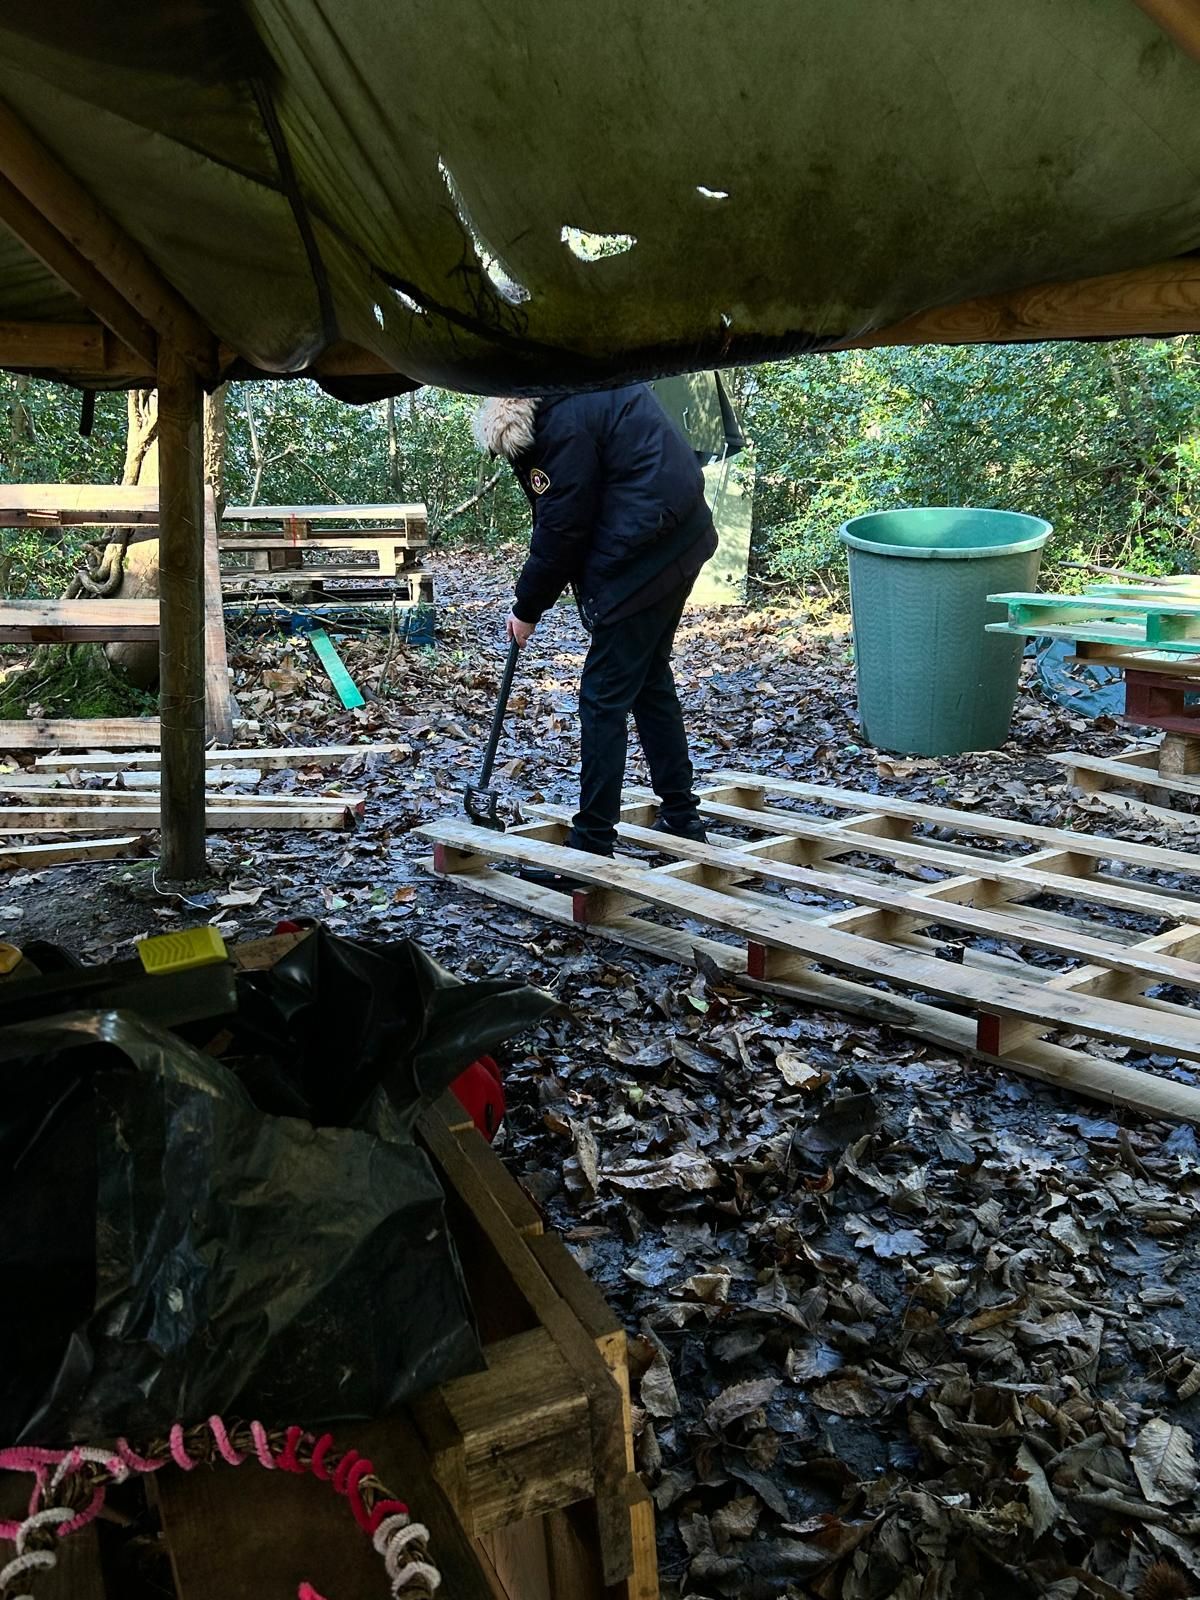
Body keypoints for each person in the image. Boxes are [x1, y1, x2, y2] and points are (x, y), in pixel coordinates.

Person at [474, 384, 717, 878]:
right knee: (649, 679)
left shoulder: (560, 427)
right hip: (681, 535)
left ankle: (592, 845)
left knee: (603, 696)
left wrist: (527, 608)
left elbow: (562, 526)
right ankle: (682, 816)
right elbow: (572, 509)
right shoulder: (573, 393)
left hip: (646, 555)